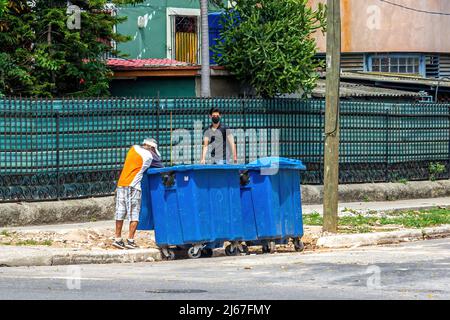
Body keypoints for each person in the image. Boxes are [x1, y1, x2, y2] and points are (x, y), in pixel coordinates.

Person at [113, 138, 164, 249]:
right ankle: (130, 240)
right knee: (134, 214)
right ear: (152, 148)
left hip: (121, 184)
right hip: (133, 186)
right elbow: (160, 165)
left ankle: (117, 239)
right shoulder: (150, 156)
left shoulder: (133, 149)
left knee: (120, 212)